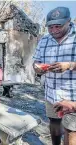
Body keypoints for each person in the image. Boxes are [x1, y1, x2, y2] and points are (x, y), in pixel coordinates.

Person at [33, 7, 76, 145]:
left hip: (72, 97)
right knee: (54, 123)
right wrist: (38, 68)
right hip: (51, 93)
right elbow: (36, 62)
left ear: (69, 22)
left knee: (71, 131)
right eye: (50, 27)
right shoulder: (44, 40)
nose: (54, 30)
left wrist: (69, 65)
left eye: (58, 26)